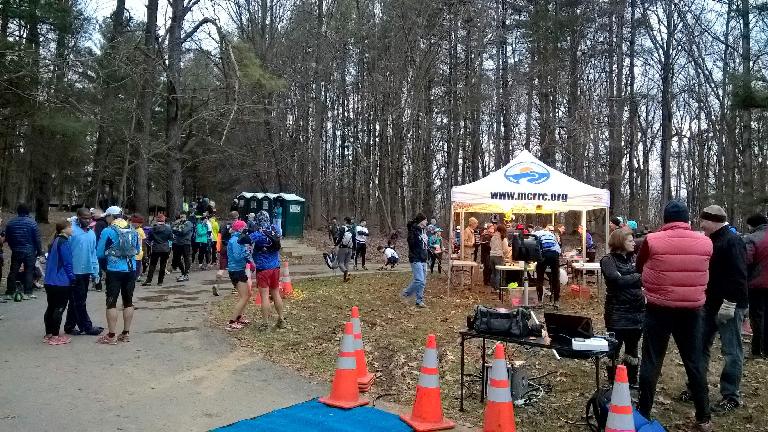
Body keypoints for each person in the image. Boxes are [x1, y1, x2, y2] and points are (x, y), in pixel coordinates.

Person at [636, 200, 712, 431]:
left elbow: (639, 266)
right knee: (695, 361)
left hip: (659, 308)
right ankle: (704, 416)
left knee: (651, 360)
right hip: (692, 310)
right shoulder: (706, 242)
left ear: (665, 220)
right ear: (687, 219)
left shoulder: (652, 240)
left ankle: (643, 411)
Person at [684, 205, 747, 414]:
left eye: (704, 221)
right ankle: (696, 387)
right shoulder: (711, 239)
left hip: (729, 306)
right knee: (699, 346)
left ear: (713, 221)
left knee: (731, 351)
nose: (701, 225)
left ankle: (731, 395)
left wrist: (730, 304)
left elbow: (739, 276)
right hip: (708, 304)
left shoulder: (732, 240)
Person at [600, 228, 644, 386]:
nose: (634, 243)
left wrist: (627, 278)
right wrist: (636, 277)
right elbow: (615, 280)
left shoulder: (636, 259)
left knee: (633, 349)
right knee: (614, 347)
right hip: (616, 313)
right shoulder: (608, 260)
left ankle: (631, 380)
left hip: (637, 312)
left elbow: (644, 277)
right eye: (630, 240)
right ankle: (613, 380)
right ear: (620, 242)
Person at [95, 207, 141, 345]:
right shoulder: (133, 230)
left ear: (111, 216)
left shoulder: (108, 231)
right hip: (130, 269)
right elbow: (137, 250)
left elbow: (100, 253)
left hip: (114, 270)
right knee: (128, 301)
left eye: (106, 217)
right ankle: (126, 333)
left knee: (111, 302)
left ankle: (111, 335)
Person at [64, 208, 103, 336]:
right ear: (78, 217)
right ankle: (86, 326)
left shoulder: (91, 233)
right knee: (79, 301)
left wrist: (95, 272)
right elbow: (64, 252)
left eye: (89, 218)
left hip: (85, 271)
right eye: (84, 218)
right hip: (73, 272)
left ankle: (69, 326)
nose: (87, 220)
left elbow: (93, 254)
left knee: (77, 300)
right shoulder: (71, 231)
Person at [250, 210, 286, 330]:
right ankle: (281, 318)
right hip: (275, 267)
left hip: (263, 268)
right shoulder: (276, 229)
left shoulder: (259, 234)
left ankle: (265, 323)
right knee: (276, 293)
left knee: (264, 296)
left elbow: (246, 239)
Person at [43, 221, 76, 346]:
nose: (72, 229)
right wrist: (72, 278)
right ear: (64, 230)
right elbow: (67, 263)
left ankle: (49, 334)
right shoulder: (64, 243)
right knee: (59, 308)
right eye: (70, 227)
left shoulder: (54, 241)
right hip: (60, 282)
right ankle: (55, 336)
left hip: (49, 281)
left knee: (51, 307)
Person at [4, 203, 43, 300]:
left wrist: (13, 247)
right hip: (29, 250)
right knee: (29, 271)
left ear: (18, 211)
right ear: (27, 211)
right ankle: (28, 292)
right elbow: (37, 239)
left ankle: (10, 292)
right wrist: (39, 251)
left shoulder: (10, 223)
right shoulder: (32, 223)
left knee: (13, 271)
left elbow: (8, 238)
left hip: (16, 250)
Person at [745, 213, 768, 359]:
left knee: (757, 316)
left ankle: (756, 349)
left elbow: (747, 261)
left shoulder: (752, 239)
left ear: (752, 225)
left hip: (757, 284)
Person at [225, 220, 254, 331]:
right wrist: (247, 251)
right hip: (236, 270)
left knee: (247, 294)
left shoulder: (239, 239)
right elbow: (237, 257)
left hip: (238, 269)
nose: (246, 229)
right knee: (245, 296)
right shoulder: (236, 240)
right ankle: (232, 321)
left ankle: (239, 317)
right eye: (244, 227)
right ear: (240, 229)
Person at [400, 213, 429, 308]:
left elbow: (424, 245)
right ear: (421, 221)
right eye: (425, 220)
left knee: (423, 281)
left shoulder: (424, 231)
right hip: (415, 258)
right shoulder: (413, 231)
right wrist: (417, 238)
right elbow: (412, 244)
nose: (427, 222)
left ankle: (419, 301)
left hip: (423, 258)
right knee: (419, 280)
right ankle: (405, 293)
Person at [533, 225, 561, 308]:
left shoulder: (536, 233)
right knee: (556, 278)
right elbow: (558, 247)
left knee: (540, 278)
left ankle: (540, 301)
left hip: (544, 254)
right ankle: (556, 301)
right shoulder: (552, 235)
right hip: (554, 254)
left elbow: (534, 245)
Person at [142, 214, 173, 287]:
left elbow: (149, 239)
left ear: (157, 220)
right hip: (165, 248)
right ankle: (160, 281)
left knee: (152, 265)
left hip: (156, 248)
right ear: (164, 220)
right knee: (163, 264)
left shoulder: (153, 229)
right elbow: (171, 238)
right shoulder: (168, 228)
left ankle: (149, 280)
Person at [171, 213, 193, 282]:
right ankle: (183, 273)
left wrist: (177, 229)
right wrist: (177, 227)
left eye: (183, 216)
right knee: (177, 258)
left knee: (186, 258)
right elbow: (172, 229)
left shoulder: (189, 223)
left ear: (186, 217)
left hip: (186, 243)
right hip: (178, 243)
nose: (182, 218)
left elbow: (184, 231)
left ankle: (186, 274)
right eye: (181, 216)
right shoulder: (178, 223)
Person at [489, 223, 511, 291]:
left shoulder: (493, 237)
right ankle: (498, 289)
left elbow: (490, 245)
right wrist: (505, 255)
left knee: (493, 273)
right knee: (499, 273)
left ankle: (492, 288)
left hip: (492, 256)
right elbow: (506, 249)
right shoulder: (503, 238)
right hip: (499, 256)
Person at [91, 208, 109, 292]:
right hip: (105, 249)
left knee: (98, 267)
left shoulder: (99, 224)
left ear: (100, 213)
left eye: (94, 213)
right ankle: (108, 283)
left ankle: (98, 285)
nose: (92, 215)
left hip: (98, 249)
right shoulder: (106, 223)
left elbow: (97, 237)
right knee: (105, 267)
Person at [334, 217, 355, 282]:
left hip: (343, 248)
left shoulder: (343, 228)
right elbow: (354, 240)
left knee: (340, 263)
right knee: (346, 263)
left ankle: (345, 272)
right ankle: (345, 278)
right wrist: (354, 249)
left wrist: (336, 244)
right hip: (350, 248)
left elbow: (340, 238)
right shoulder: (352, 229)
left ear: (345, 221)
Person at [130, 215, 146, 281]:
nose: (133, 224)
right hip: (131, 250)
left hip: (138, 251)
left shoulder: (141, 230)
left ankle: (137, 276)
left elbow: (144, 241)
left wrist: (144, 251)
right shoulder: (130, 229)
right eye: (132, 222)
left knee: (137, 264)